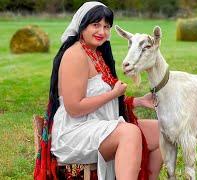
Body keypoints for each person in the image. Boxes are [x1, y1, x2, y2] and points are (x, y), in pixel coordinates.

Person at [34, 2, 162, 180]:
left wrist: (137, 101)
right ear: (82, 26)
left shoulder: (97, 54)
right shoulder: (74, 55)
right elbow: (74, 107)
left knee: (163, 130)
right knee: (129, 132)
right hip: (74, 133)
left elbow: (97, 97)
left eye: (106, 26)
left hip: (99, 125)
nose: (102, 31)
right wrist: (113, 94)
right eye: (96, 25)